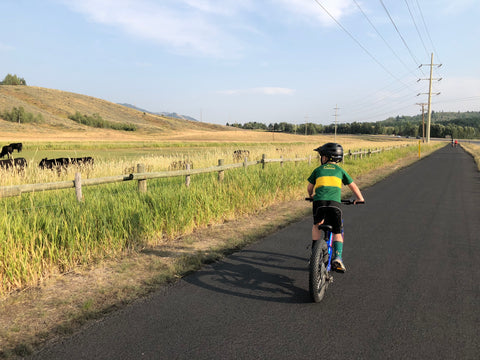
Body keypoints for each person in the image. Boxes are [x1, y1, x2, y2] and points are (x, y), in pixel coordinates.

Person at [307, 142, 364, 272]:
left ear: (326, 157)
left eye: (322, 156)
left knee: (317, 225)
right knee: (338, 231)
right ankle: (338, 258)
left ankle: (314, 252)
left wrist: (311, 195)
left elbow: (309, 187)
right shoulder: (340, 170)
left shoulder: (318, 170)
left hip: (319, 203)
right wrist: (360, 199)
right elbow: (353, 186)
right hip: (335, 205)